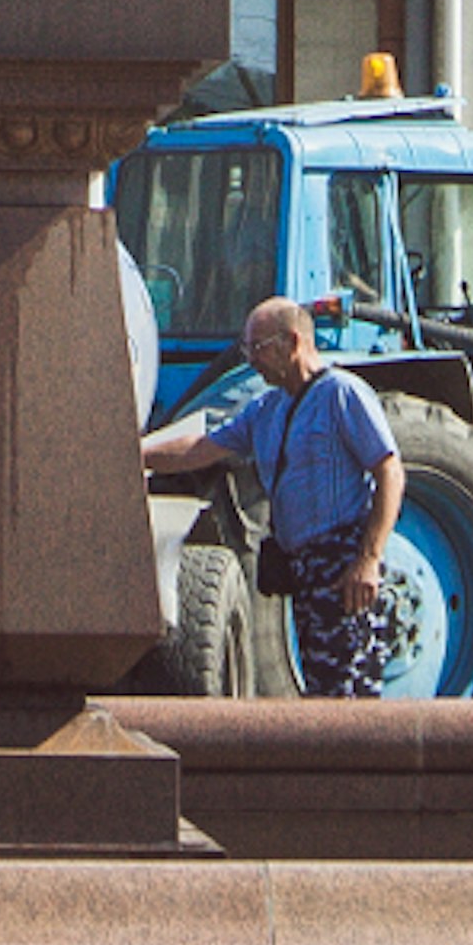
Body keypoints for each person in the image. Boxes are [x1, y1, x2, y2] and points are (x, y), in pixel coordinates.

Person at [144, 294, 405, 701]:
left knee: (349, 692)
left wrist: (368, 560)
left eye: (259, 348)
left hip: (342, 563)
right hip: (303, 567)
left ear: (294, 342)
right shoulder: (265, 409)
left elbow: (389, 470)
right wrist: (134, 455)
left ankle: (362, 762)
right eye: (248, 349)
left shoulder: (343, 394)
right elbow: (202, 449)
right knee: (321, 686)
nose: (252, 360)